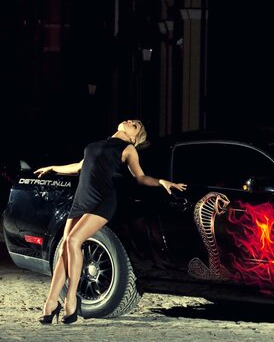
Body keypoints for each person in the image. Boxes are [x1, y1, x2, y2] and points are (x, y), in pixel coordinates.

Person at [34, 119, 186, 324]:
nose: (131, 121)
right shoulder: (97, 144)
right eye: (131, 120)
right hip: (81, 199)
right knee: (63, 250)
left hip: (102, 201)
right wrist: (53, 167)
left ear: (135, 137)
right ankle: (52, 302)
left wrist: (161, 182)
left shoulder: (129, 148)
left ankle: (71, 300)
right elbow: (80, 167)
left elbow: (140, 177)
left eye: (136, 124)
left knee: (73, 242)